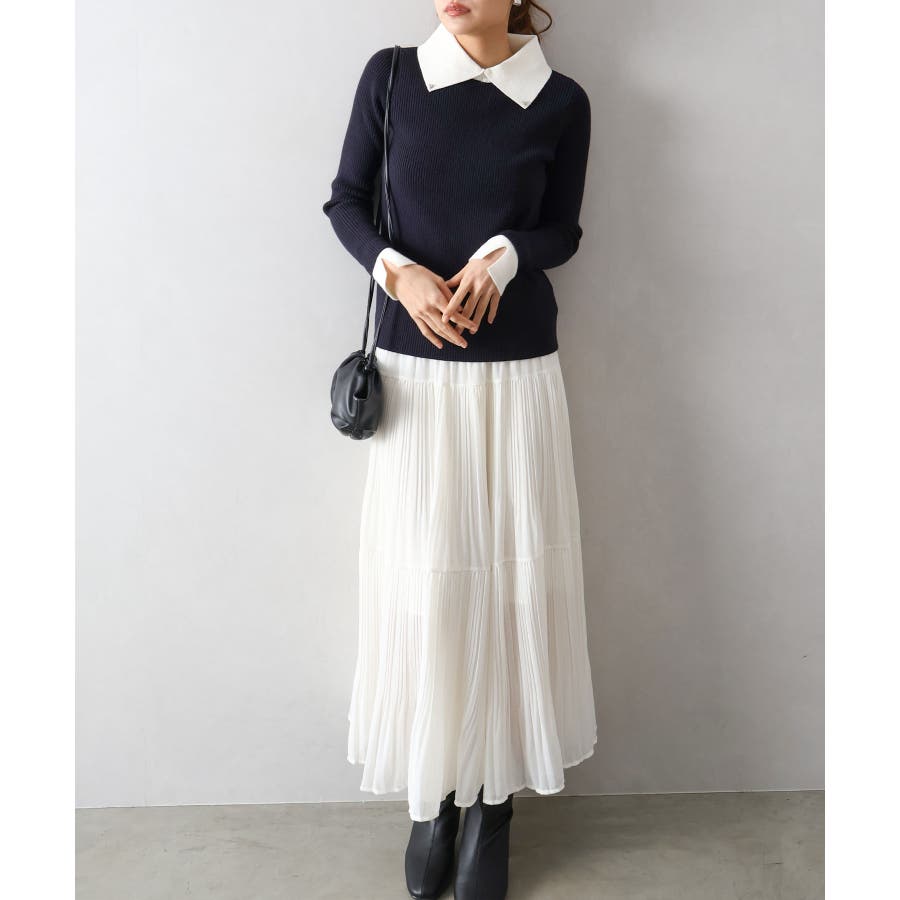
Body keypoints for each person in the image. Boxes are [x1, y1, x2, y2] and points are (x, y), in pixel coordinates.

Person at [321, 3, 596, 898]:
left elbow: (563, 230)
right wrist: (396, 271)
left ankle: (493, 802)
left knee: (512, 589)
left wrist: (507, 256)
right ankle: (434, 791)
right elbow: (346, 201)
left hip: (516, 378)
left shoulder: (561, 99)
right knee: (424, 586)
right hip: (415, 380)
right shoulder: (392, 76)